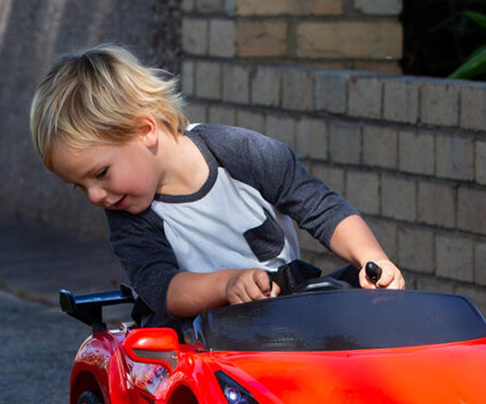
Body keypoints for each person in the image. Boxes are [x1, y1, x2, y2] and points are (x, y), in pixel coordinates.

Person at [30, 44, 404, 319]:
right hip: (199, 333)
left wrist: (372, 260)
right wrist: (226, 285)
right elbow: (161, 287)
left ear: (145, 131)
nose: (95, 195)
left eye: (100, 174)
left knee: (357, 295)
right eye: (80, 186)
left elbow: (321, 207)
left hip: (281, 308)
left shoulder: (240, 153)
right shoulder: (131, 216)